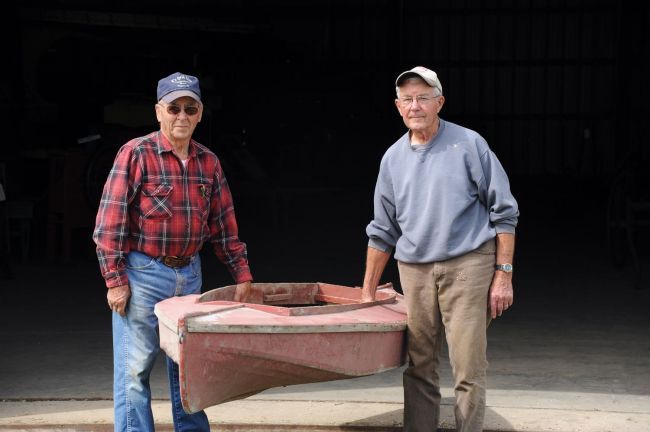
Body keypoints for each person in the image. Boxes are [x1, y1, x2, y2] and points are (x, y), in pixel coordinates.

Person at [361, 66, 519, 432]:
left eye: (423, 98)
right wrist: (367, 291)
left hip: (467, 264)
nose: (415, 106)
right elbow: (382, 229)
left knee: (467, 366)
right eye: (407, 99)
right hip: (414, 269)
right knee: (419, 366)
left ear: (440, 102)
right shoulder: (392, 158)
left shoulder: (469, 144)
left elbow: (504, 213)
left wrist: (503, 274)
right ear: (397, 106)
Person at [93, 72, 253, 432]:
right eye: (174, 107)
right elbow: (109, 223)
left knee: (189, 366)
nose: (181, 115)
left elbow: (224, 225)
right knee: (134, 370)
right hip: (143, 274)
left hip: (190, 275)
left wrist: (241, 274)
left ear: (199, 114)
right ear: (158, 111)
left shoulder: (208, 162)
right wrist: (115, 280)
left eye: (189, 108)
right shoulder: (135, 153)